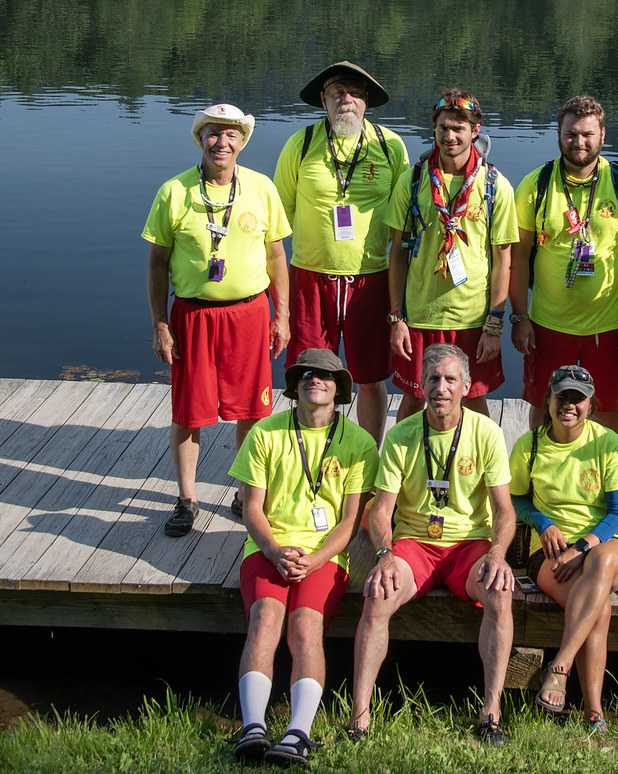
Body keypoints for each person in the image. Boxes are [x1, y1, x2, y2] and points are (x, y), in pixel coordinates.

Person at [347, 343, 515, 747]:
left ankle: (491, 712)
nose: (441, 388)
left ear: (467, 386)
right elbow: (381, 511)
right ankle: (359, 719)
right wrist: (384, 555)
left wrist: (497, 555)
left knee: (500, 592)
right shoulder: (402, 436)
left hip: (469, 544)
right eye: (434, 379)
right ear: (420, 385)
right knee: (377, 594)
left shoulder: (486, 433)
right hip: (415, 544)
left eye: (451, 379)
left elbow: (504, 512)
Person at [144, 103, 290, 537]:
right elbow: (156, 265)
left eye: (231, 135)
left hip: (249, 314)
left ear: (242, 142)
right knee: (189, 413)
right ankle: (186, 499)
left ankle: (248, 497)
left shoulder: (262, 188)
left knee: (253, 411)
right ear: (200, 139)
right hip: (193, 316)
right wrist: (159, 323)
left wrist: (280, 316)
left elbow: (277, 256)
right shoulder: (174, 191)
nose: (222, 143)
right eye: (213, 134)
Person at [228, 348, 378, 766]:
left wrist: (313, 561)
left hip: (324, 555)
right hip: (267, 547)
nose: (316, 380)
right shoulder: (265, 433)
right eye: (307, 374)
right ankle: (252, 727)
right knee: (264, 623)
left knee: (305, 628)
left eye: (326, 376)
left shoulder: (360, 443)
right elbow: (252, 508)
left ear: (339, 390)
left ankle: (298, 732)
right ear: (295, 386)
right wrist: (275, 550)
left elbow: (350, 522)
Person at [274, 61, 410, 445]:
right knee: (307, 375)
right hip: (309, 278)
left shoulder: (390, 146)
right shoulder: (300, 144)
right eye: (337, 93)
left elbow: (404, 220)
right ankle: (305, 456)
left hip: (372, 279)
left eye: (354, 93)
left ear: (366, 101)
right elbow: (279, 216)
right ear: (323, 100)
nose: (346, 100)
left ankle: (366, 460)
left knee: (369, 378)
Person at [510, 95, 618, 437]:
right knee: (544, 403)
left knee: (608, 405)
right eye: (571, 134)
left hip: (608, 324)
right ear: (558, 135)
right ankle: (539, 464)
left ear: (602, 135)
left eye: (587, 134)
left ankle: (609, 477)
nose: (579, 142)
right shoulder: (536, 186)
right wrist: (520, 317)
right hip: (548, 322)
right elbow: (516, 256)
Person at [508, 365, 618, 733]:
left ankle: (559, 666)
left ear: (591, 405)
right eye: (562, 396)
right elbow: (515, 499)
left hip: (602, 544)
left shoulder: (607, 443)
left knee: (603, 562)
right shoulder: (529, 445)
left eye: (578, 399)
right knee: (601, 608)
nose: (569, 405)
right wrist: (543, 523)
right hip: (547, 552)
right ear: (548, 400)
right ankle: (594, 711)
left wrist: (582, 546)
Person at [385, 89, 517, 423]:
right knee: (414, 401)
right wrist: (396, 318)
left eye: (459, 128)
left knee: (473, 401)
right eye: (443, 127)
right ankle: (402, 474)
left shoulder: (494, 185)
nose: (450, 136)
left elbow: (503, 259)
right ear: (435, 129)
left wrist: (494, 324)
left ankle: (482, 473)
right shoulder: (412, 180)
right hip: (419, 314)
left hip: (472, 318)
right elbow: (397, 255)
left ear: (475, 131)